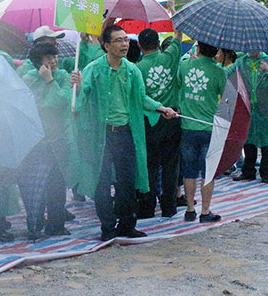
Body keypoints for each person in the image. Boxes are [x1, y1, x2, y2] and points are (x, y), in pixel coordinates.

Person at [73, 25, 177, 241]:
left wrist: (161, 108)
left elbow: (141, 98)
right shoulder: (94, 69)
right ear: (107, 45)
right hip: (102, 134)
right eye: (119, 41)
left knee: (128, 181)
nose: (124, 44)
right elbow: (81, 101)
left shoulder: (132, 70)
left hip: (125, 133)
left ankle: (127, 225)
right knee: (102, 182)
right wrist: (79, 86)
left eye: (126, 40)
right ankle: (107, 227)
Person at [19, 42, 74, 239]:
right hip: (37, 141)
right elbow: (40, 108)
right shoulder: (28, 79)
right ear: (37, 62)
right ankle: (35, 222)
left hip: (59, 139)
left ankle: (56, 224)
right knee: (35, 185)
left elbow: (62, 102)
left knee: (57, 184)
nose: (53, 60)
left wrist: (50, 81)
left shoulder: (63, 76)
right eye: (48, 58)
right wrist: (47, 83)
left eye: (54, 56)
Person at [136, 27, 183, 218]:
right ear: (158, 43)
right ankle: (169, 206)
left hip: (151, 120)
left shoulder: (137, 68)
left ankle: (147, 207)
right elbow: (178, 36)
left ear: (139, 46)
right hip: (172, 119)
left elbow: (140, 97)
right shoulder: (170, 56)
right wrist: (174, 12)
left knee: (150, 165)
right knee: (171, 165)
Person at [179, 41, 227, 222]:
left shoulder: (185, 65)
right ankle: (205, 211)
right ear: (216, 52)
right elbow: (225, 100)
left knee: (189, 171)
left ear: (197, 48)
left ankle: (190, 209)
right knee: (208, 173)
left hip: (188, 126)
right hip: (209, 128)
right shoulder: (220, 71)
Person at [230, 52, 268, 184]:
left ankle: (266, 173)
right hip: (247, 108)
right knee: (248, 140)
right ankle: (248, 171)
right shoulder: (241, 62)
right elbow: (228, 74)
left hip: (266, 109)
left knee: (267, 141)